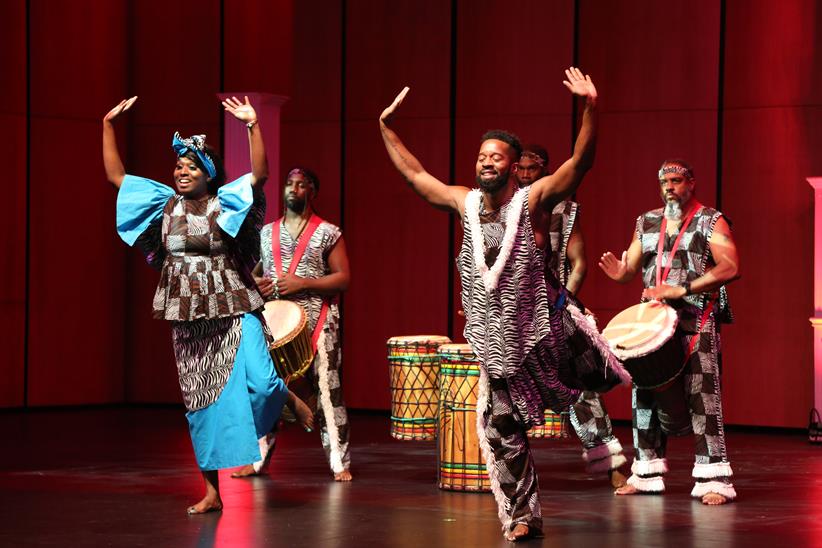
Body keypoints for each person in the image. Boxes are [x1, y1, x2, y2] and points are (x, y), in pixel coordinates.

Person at [380, 68, 629, 541]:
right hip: (498, 343)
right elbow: (415, 175)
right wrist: (385, 127)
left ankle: (621, 437)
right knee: (500, 427)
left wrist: (591, 107)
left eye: (497, 157)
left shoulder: (530, 201)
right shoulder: (463, 203)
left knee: (594, 383)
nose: (487, 161)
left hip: (545, 329)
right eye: (482, 156)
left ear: (514, 167)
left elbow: (580, 163)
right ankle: (522, 514)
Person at [103, 95, 313, 514]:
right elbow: (116, 177)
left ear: (208, 174)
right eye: (179, 166)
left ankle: (286, 398)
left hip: (234, 304)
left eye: (192, 167)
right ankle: (212, 492)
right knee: (200, 402)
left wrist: (253, 126)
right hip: (187, 316)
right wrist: (107, 125)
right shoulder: (163, 206)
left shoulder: (225, 203)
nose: (182, 172)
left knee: (265, 383)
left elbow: (259, 175)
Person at [598, 159, 740, 505]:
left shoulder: (711, 220)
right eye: (664, 182)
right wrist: (620, 273)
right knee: (644, 393)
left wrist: (683, 288)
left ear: (691, 182)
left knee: (701, 395)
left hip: (696, 318)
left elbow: (731, 266)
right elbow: (631, 267)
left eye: (676, 181)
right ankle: (646, 473)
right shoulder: (646, 221)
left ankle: (714, 479)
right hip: (654, 321)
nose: (669, 188)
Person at [516, 144, 628, 487]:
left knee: (583, 387)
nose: (523, 174)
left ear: (545, 170)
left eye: (530, 168)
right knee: (504, 392)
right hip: (512, 315)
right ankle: (509, 471)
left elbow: (578, 263)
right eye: (518, 168)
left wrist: (566, 299)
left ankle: (611, 465)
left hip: (554, 309)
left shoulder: (560, 207)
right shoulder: (502, 207)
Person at [233, 167, 353, 482]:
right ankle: (257, 458)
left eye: (301, 185)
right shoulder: (267, 232)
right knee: (266, 388)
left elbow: (343, 278)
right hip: (276, 324)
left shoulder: (329, 231)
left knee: (328, 388)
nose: (293, 189)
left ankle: (339, 462)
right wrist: (255, 283)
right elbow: (255, 274)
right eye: (289, 183)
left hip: (319, 321)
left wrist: (303, 283)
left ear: (312, 192)